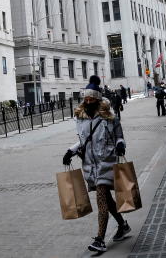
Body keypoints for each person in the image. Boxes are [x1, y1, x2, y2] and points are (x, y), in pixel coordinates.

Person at [63, 80, 131, 254]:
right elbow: (84, 140)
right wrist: (71, 151)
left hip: (106, 163)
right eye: (86, 98)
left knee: (101, 200)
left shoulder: (109, 117)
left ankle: (100, 239)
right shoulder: (81, 118)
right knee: (107, 200)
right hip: (90, 166)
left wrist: (121, 144)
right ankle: (123, 225)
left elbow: (119, 136)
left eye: (92, 99)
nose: (88, 101)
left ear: (98, 100)